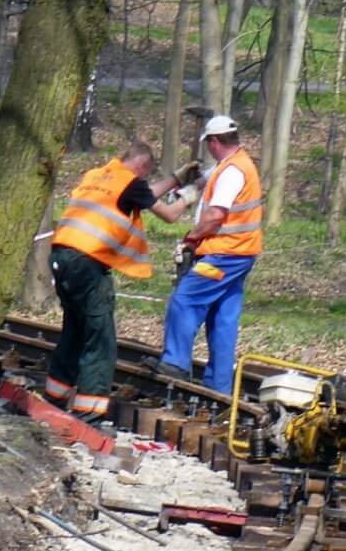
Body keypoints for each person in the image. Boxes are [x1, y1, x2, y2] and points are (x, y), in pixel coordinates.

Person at [46, 141, 201, 421]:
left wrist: (175, 179)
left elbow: (141, 195)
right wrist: (189, 195)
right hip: (87, 264)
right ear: (142, 167)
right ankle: (89, 412)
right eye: (147, 173)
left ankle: (54, 397)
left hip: (61, 257)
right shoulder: (130, 182)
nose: (144, 178)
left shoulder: (98, 176)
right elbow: (168, 214)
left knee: (75, 330)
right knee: (100, 339)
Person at [153, 114, 263, 394]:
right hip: (240, 255)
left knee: (185, 299)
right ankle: (219, 388)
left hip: (223, 255)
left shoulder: (231, 173)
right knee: (222, 318)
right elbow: (206, 179)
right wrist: (186, 181)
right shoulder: (236, 164)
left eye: (208, 144)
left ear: (214, 142)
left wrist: (191, 238)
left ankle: (175, 363)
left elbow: (215, 216)